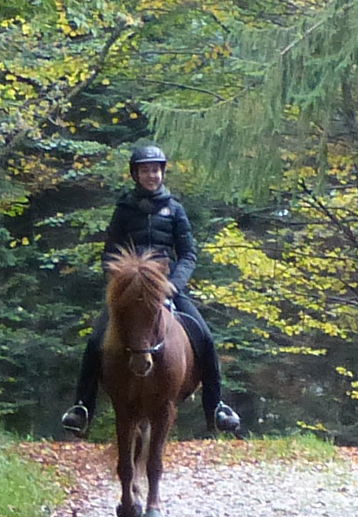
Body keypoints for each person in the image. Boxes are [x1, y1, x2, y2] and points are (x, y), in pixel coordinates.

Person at [60, 143, 242, 436]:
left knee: (205, 337)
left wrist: (173, 285)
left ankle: (217, 406)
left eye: (155, 170)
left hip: (167, 288)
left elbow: (188, 253)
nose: (151, 175)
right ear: (136, 174)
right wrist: (121, 282)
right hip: (130, 292)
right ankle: (82, 408)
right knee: (95, 341)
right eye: (145, 170)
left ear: (162, 173)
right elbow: (110, 253)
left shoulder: (175, 209)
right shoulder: (124, 209)